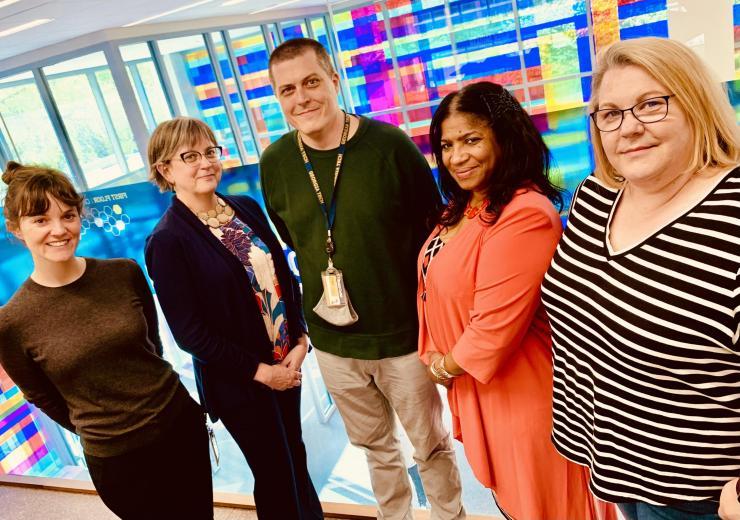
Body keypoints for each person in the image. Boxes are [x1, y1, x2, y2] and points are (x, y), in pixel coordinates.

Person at [260, 38, 465, 519]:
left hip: (402, 339)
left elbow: (432, 235)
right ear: (277, 97)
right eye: (287, 89)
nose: (302, 98)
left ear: (334, 81)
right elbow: (294, 236)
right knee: (375, 449)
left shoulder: (388, 146)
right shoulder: (276, 162)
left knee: (430, 446)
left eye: (311, 82)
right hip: (334, 344)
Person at [541, 37, 740, 520]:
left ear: (695, 104)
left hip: (698, 491)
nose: (628, 128)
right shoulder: (597, 196)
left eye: (651, 105)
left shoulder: (732, 213)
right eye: (610, 114)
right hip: (613, 467)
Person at [419, 81, 614, 520]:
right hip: (484, 388)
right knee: (514, 503)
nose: (457, 156)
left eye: (472, 139)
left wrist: (442, 366)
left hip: (525, 394)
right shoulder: (466, 206)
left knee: (543, 508)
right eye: (447, 145)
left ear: (504, 137)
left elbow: (493, 328)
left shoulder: (524, 212)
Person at [0, 162, 213, 520]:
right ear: (15, 229)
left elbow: (152, 347)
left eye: (68, 216)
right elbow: (41, 395)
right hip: (118, 459)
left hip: (179, 425)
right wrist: (101, 424)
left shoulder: (123, 272)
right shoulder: (11, 321)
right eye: (40, 220)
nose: (58, 230)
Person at [143, 117, 323, 520]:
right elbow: (191, 335)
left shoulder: (244, 207)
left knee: (295, 455)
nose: (205, 162)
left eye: (210, 151)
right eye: (190, 156)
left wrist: (300, 338)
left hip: (285, 363)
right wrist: (263, 373)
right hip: (241, 381)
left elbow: (281, 277)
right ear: (165, 170)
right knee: (275, 471)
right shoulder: (168, 240)